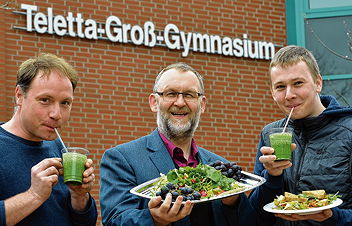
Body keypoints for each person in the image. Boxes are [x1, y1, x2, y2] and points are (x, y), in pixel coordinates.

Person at [100, 62, 255, 226]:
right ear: (154, 102)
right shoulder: (121, 159)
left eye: (189, 95)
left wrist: (232, 202)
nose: (180, 102)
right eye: (171, 93)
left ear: (202, 104)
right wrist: (154, 220)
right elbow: (114, 221)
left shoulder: (221, 168)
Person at [249, 45, 352, 226]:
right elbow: (255, 218)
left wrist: (333, 217)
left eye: (298, 83)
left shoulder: (349, 130)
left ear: (318, 83)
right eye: (280, 87)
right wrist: (272, 176)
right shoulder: (269, 134)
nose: (289, 95)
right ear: (273, 93)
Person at [0, 53, 98, 225]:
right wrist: (34, 195)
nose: (56, 114)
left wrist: (80, 196)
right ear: (19, 96)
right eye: (45, 100)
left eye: (65, 103)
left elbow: (85, 222)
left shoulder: (57, 146)